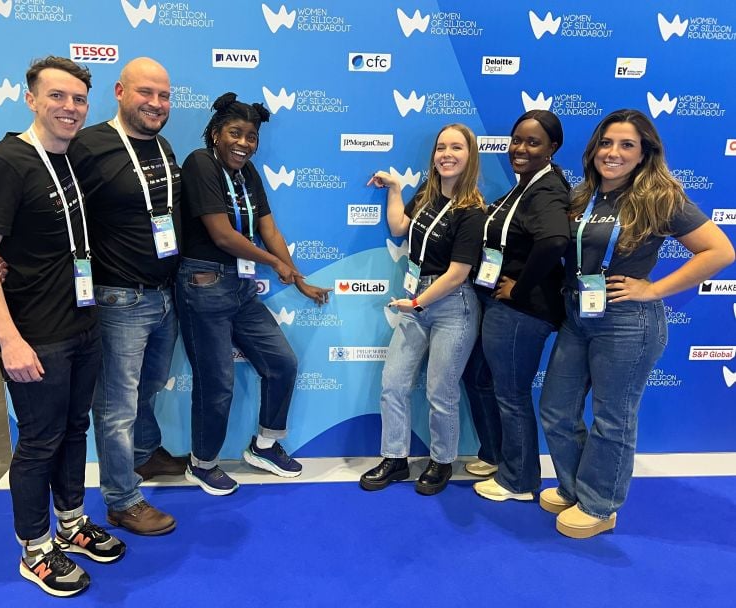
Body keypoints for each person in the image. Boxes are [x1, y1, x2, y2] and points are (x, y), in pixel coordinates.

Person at [0, 56, 125, 597]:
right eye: (57, 96)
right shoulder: (4, 163)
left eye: (79, 99)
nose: (70, 107)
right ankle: (35, 550)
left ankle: (72, 524)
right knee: (39, 442)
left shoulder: (74, 158)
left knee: (75, 430)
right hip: (36, 335)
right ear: (31, 99)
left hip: (84, 324)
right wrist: (8, 339)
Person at [538, 109, 734, 538]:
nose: (614, 152)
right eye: (607, 143)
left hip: (627, 322)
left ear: (645, 152)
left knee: (613, 417)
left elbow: (719, 251)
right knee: (555, 408)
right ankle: (575, 488)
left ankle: (600, 505)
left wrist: (653, 289)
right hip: (578, 315)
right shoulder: (581, 195)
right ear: (594, 150)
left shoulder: (660, 197)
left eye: (627, 145)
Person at [176, 92, 331, 495]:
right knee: (217, 382)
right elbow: (222, 235)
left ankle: (264, 445)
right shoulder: (199, 164)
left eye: (251, 136)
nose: (244, 143)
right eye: (235, 133)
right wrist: (274, 264)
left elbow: (269, 229)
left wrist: (298, 278)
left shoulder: (248, 174)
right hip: (203, 284)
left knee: (282, 362)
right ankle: (202, 463)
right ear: (215, 134)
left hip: (241, 287)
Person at [66, 57, 184, 535]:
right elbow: (57, 210)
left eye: (164, 95)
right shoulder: (88, 147)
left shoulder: (163, 144)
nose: (156, 104)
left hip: (163, 297)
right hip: (118, 300)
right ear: (119, 91)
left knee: (150, 386)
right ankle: (121, 499)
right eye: (146, 93)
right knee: (115, 407)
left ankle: (143, 453)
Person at [359, 124, 485, 496]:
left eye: (457, 147)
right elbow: (399, 227)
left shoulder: (473, 210)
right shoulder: (427, 197)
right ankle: (395, 458)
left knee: (440, 391)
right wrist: (396, 190)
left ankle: (442, 461)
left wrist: (415, 303)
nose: (447, 154)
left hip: (452, 305)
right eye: (441, 147)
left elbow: (459, 273)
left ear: (470, 156)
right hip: (417, 301)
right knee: (393, 383)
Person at [464, 110, 571, 502]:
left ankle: (520, 480)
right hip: (498, 304)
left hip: (521, 312)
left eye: (533, 142)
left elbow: (555, 241)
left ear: (552, 148)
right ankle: (497, 455)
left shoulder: (546, 190)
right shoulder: (524, 185)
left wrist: (520, 290)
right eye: (517, 139)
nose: (520, 149)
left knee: (511, 393)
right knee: (479, 379)